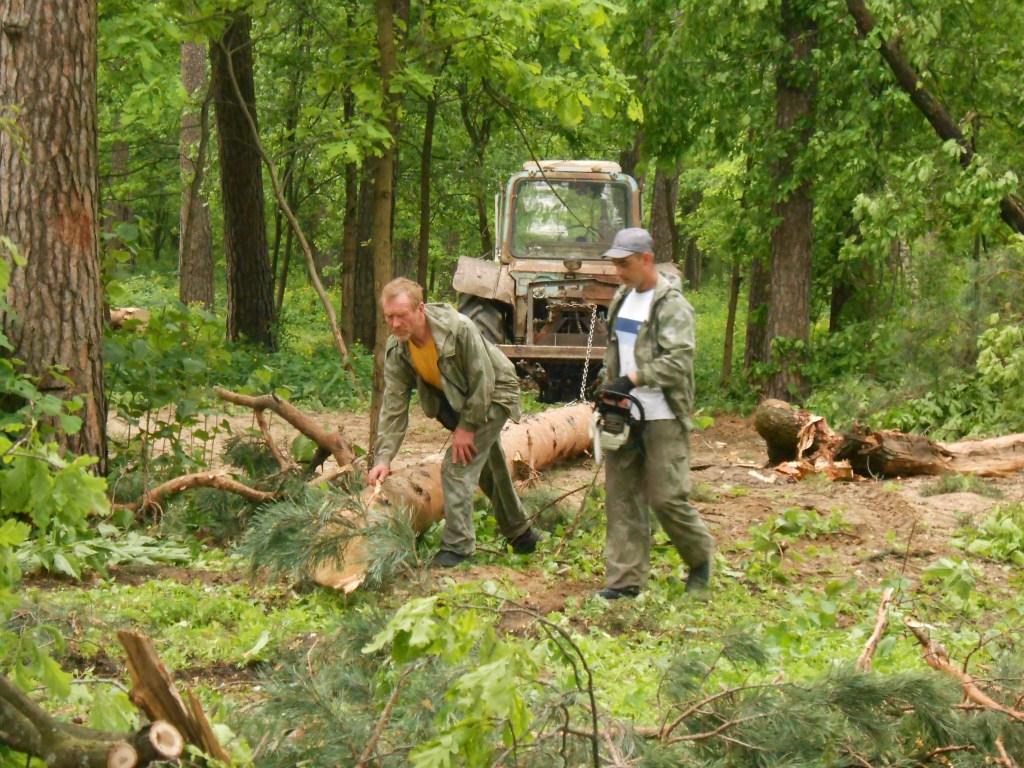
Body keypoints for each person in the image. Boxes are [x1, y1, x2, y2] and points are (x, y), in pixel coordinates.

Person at [367, 277, 539, 567]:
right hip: (457, 400)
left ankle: (458, 547)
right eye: (389, 317)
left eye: (401, 316)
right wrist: (384, 457)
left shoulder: (458, 329)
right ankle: (521, 534)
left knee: (456, 467)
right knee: (488, 466)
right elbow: (394, 406)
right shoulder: (397, 348)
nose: (394, 324)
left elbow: (483, 381)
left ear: (420, 309)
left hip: (494, 392)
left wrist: (467, 428)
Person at [596, 228, 715, 599]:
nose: (618, 271)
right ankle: (624, 582)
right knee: (621, 496)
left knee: (666, 498)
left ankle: (699, 561)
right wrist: (607, 387)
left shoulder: (671, 305)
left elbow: (678, 362)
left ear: (646, 259)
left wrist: (634, 379)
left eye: (624, 263)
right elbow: (614, 351)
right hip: (624, 415)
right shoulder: (621, 298)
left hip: (662, 415)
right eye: (615, 263)